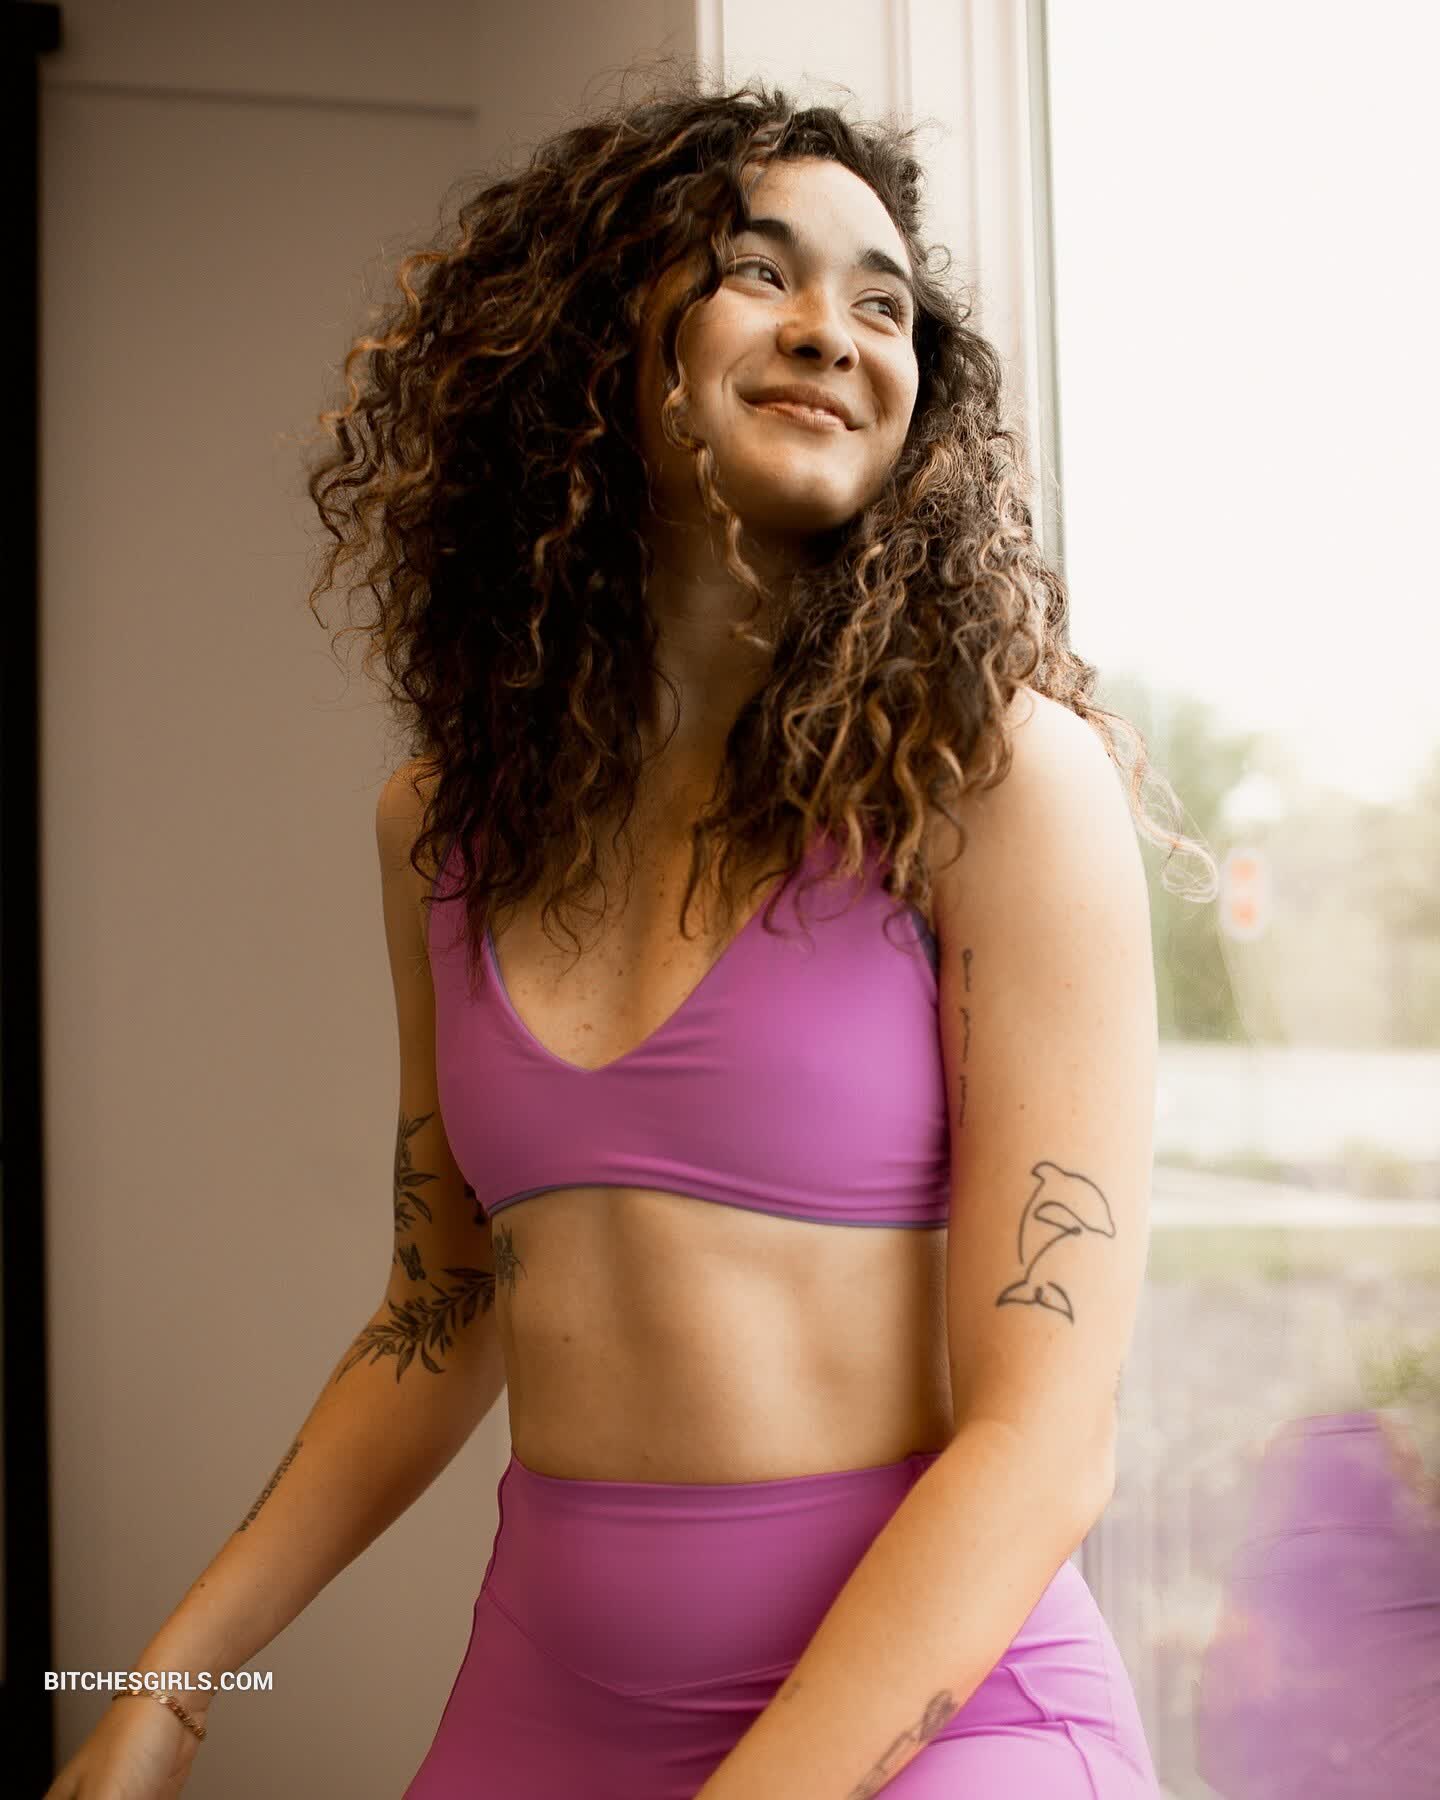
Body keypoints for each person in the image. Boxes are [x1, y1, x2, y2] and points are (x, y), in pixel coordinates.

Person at [47, 63, 1212, 1800]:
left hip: (950, 1720)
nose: (834, 333)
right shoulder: (445, 830)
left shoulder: (992, 778)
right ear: (594, 346)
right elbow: (439, 1307)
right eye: (761, 270)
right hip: (552, 1700)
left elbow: (1046, 1446)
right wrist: (169, 1682)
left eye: (884, 304)